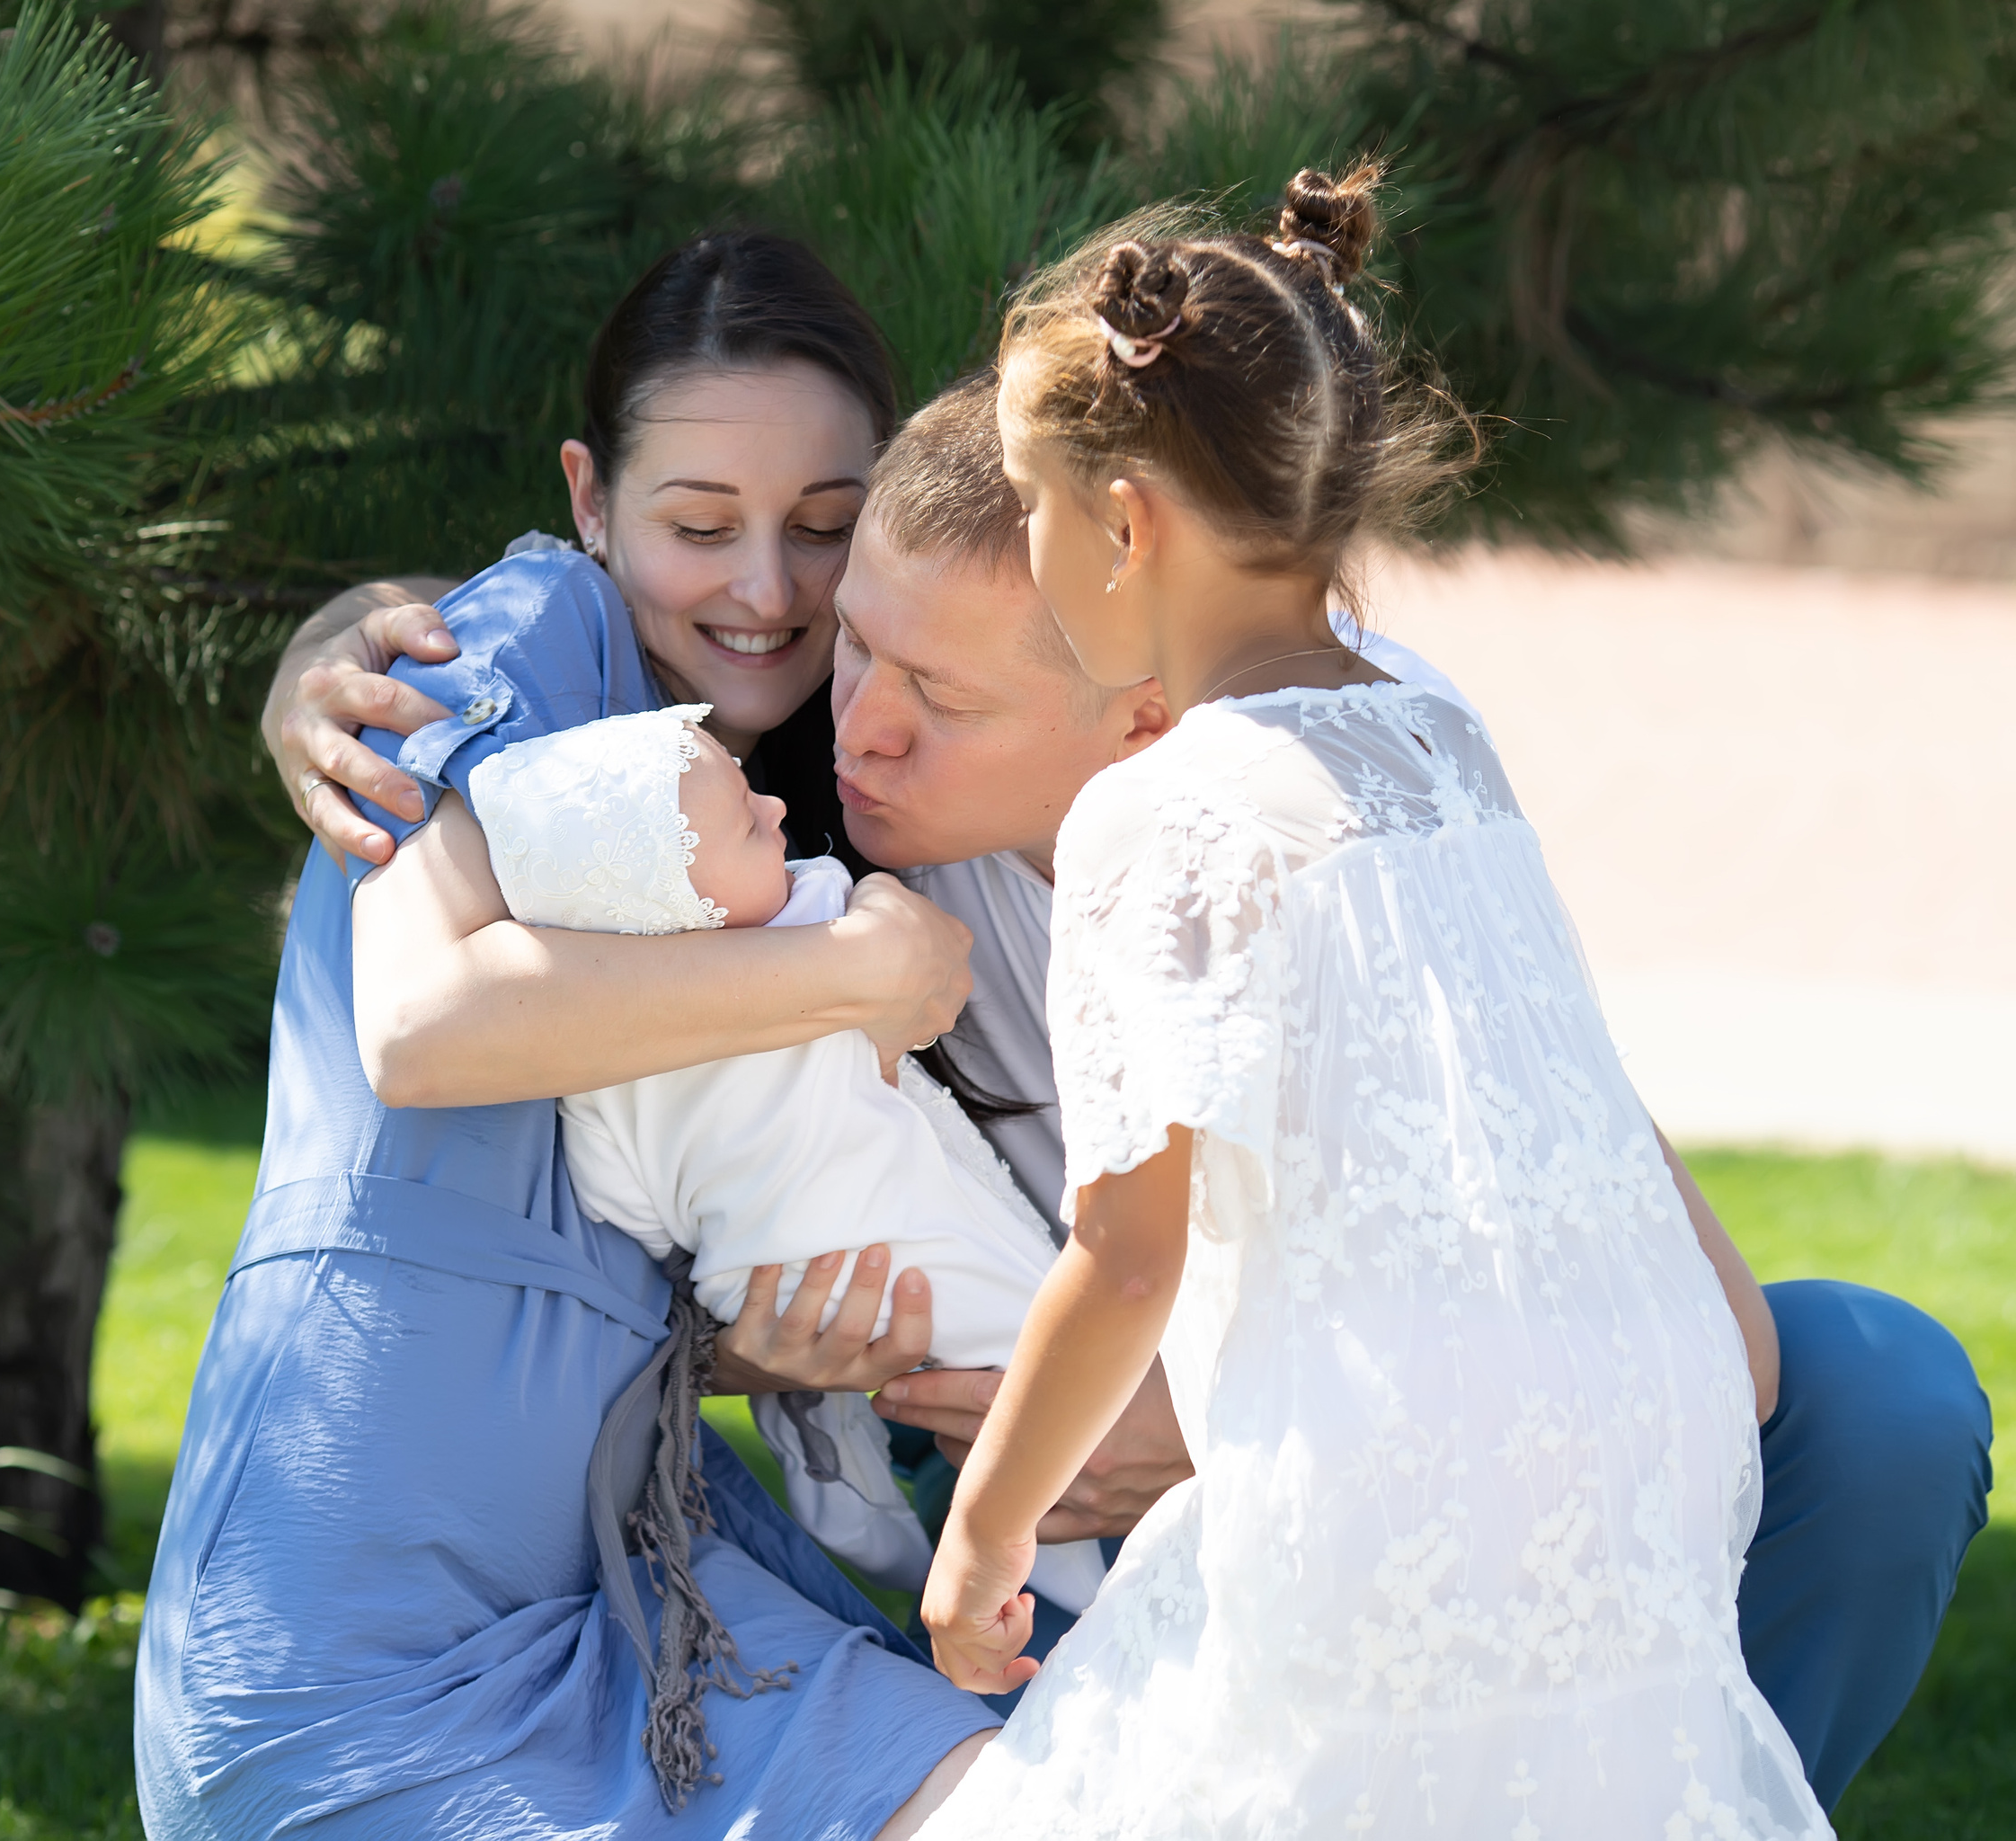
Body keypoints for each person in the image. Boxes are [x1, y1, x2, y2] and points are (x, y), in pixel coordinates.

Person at [266, 282, 1993, 1828]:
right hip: (985, 1508)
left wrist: (1221, 1414)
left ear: (1127, 675)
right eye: (851, 635)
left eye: (928, 685)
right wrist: (335, 640)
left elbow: (1685, 1302)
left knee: (1880, 1392)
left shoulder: (1310, 785)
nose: (832, 690)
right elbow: (525, 785)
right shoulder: (789, 820)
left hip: (1315, 1446)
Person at [910, 171, 1834, 1836]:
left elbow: (1130, 1252)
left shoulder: (1158, 812)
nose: (1034, 553)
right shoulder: (1438, 745)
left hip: (1380, 1478)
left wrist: (987, 1524)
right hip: (1639, 1446)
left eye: (1035, 509)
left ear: (1130, 525)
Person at [134, 231, 1007, 1841]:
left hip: (618, 1588)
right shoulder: (533, 631)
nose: (766, 588)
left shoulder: (788, 810)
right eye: (697, 524)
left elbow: (579, 1253)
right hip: (357, 1648)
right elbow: (424, 1027)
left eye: (825, 528)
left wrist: (754, 1352)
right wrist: (857, 974)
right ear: (592, 501)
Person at [461, 702, 1106, 1607]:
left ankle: (869, 1506)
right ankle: (1047, 1576)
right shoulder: (808, 912)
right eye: (742, 819)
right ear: (671, 897)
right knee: (1023, 1344)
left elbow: (623, 1196)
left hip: (756, 1275)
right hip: (908, 1237)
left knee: (843, 1401)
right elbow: (876, 914)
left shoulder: (600, 1063)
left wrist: (693, 1239)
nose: (773, 810)